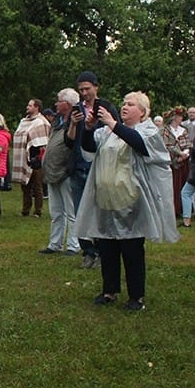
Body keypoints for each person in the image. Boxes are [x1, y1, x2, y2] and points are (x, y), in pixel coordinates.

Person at [77, 91, 179, 311]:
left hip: (131, 200)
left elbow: (139, 145)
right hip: (105, 199)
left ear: (142, 112)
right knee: (107, 246)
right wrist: (87, 128)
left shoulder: (147, 131)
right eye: (123, 103)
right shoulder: (107, 132)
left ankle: (136, 296)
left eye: (130, 104)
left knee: (131, 249)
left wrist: (114, 124)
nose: (124, 107)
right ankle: (109, 290)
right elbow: (88, 147)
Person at [69, 71, 118, 269]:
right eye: (81, 90)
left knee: (98, 210)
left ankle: (101, 250)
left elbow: (117, 133)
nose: (84, 93)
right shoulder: (76, 110)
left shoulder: (107, 107)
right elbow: (69, 140)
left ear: (96, 87)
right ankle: (87, 251)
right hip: (77, 164)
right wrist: (73, 123)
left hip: (98, 166)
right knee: (80, 211)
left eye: (87, 89)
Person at [39, 88, 82, 256]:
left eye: (59, 101)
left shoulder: (76, 122)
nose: (56, 104)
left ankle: (74, 244)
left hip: (66, 172)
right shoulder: (58, 122)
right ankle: (55, 243)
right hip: (53, 172)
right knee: (56, 211)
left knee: (71, 211)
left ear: (68, 104)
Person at [13, 98, 51, 218]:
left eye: (30, 105)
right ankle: (25, 209)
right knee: (25, 185)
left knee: (37, 186)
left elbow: (44, 139)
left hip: (37, 158)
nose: (27, 107)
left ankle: (37, 211)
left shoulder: (41, 122)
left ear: (36, 107)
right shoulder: (24, 121)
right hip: (24, 157)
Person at [162, 106, 192, 218]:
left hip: (183, 162)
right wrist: (179, 154)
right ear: (174, 117)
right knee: (171, 186)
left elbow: (188, 144)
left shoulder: (183, 130)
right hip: (170, 162)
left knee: (182, 186)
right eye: (179, 116)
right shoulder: (165, 130)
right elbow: (166, 145)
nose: (181, 119)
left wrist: (185, 154)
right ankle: (171, 209)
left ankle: (181, 209)